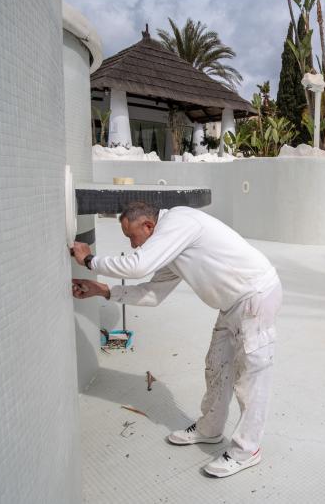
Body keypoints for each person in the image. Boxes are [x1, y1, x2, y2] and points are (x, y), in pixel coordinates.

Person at [70, 201, 282, 478]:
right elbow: (152, 294)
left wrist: (89, 261)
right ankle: (209, 430)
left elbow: (138, 265)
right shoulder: (173, 246)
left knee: (250, 379)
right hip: (231, 304)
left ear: (148, 226)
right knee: (216, 366)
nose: (133, 245)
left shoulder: (179, 222)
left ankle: (247, 450)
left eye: (132, 237)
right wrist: (104, 292)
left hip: (255, 296)